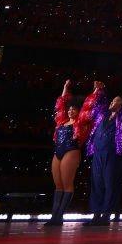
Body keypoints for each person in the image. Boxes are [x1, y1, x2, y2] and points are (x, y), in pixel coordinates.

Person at [83, 82, 122, 226]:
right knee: (97, 183)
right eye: (111, 100)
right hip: (98, 154)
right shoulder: (102, 116)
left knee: (110, 184)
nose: (112, 102)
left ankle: (107, 214)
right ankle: (96, 214)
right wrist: (99, 90)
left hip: (113, 155)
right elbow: (97, 104)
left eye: (115, 101)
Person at [45, 80, 90, 226]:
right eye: (69, 109)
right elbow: (61, 104)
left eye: (74, 109)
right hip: (58, 151)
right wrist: (65, 88)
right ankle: (54, 216)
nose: (70, 111)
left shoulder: (80, 123)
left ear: (78, 111)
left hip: (71, 150)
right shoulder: (61, 121)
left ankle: (60, 215)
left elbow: (88, 109)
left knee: (67, 183)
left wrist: (96, 92)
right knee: (58, 185)